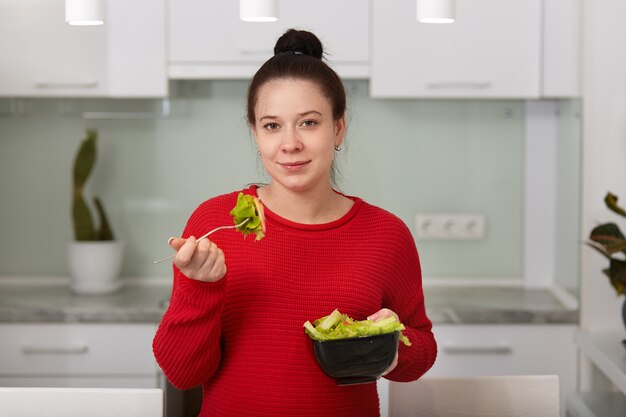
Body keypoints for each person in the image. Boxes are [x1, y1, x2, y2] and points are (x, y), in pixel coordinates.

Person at [153, 29, 437, 417]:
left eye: (308, 123)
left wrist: (391, 345)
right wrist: (198, 288)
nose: (290, 144)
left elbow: (422, 352)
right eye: (272, 126)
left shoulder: (386, 234)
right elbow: (182, 373)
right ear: (255, 132)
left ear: (338, 128)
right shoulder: (215, 222)